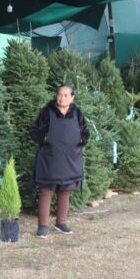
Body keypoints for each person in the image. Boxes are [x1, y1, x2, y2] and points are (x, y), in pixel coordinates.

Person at [29, 84, 90, 238]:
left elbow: (85, 131)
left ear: (72, 97)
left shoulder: (77, 113)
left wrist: (81, 139)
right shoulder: (47, 111)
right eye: (59, 95)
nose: (61, 98)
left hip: (71, 158)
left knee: (65, 190)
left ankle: (61, 223)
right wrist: (45, 138)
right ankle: (42, 226)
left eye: (65, 95)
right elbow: (34, 130)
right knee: (46, 191)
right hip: (50, 157)